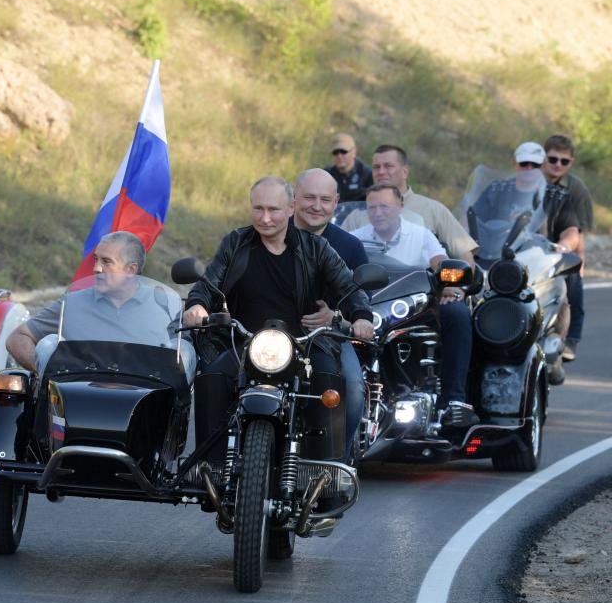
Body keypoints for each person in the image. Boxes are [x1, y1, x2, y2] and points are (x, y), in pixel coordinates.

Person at [183, 176, 375, 464]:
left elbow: (348, 287)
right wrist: (197, 305)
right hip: (245, 342)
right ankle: (210, 469)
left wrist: (361, 317)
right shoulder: (236, 242)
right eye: (258, 209)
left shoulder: (317, 248)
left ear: (290, 209)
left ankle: (326, 471)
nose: (265, 218)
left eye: (274, 209)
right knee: (212, 376)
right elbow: (209, 283)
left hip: (304, 346)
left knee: (329, 382)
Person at [351, 183, 478, 427]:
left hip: (414, 309)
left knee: (458, 314)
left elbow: (439, 261)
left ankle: (452, 400)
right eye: (372, 207)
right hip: (370, 308)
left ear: (400, 206)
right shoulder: (357, 239)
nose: (378, 212)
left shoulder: (420, 234)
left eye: (384, 206)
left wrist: (447, 283)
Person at [6, 231, 195, 380]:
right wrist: (45, 371)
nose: (96, 268)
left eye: (106, 262)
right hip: (77, 406)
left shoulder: (163, 308)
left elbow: (183, 359)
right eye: (96, 259)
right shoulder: (72, 303)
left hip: (144, 412)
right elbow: (17, 338)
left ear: (131, 270)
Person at [290, 168, 369, 459]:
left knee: (352, 388)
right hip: (270, 334)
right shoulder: (268, 232)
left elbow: (362, 304)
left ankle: (337, 467)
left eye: (325, 199)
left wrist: (336, 317)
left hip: (330, 338)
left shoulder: (350, 246)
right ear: (294, 199)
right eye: (309, 197)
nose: (316, 206)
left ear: (336, 202)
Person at [342, 144, 479, 265]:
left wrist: (457, 290)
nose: (381, 172)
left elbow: (465, 256)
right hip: (367, 290)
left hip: (419, 290)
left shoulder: (433, 209)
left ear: (405, 171)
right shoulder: (357, 214)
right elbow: (336, 255)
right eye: (376, 167)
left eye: (388, 166)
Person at [541, 134, 592, 362]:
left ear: (571, 163)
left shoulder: (576, 189)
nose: (557, 165)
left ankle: (571, 338)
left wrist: (579, 261)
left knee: (573, 279)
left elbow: (576, 231)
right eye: (553, 159)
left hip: (559, 248)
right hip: (525, 247)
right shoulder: (527, 180)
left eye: (564, 161)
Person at [324, 133, 373, 202]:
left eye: (343, 151)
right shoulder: (326, 175)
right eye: (335, 152)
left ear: (354, 152)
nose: (339, 156)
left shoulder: (368, 174)